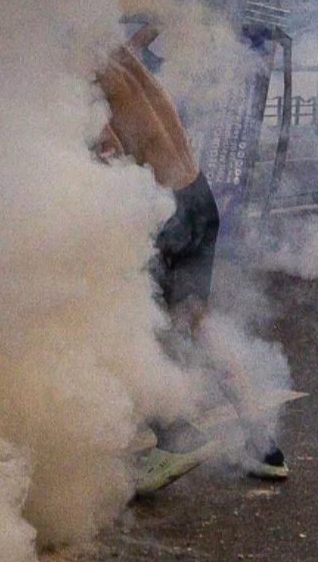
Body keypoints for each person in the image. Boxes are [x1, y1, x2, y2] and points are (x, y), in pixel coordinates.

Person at [96, 28, 289, 480]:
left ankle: (176, 439)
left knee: (135, 324)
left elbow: (107, 149)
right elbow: (149, 31)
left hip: (167, 212)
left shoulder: (83, 75)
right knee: (199, 324)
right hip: (198, 197)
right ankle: (263, 444)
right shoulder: (120, 54)